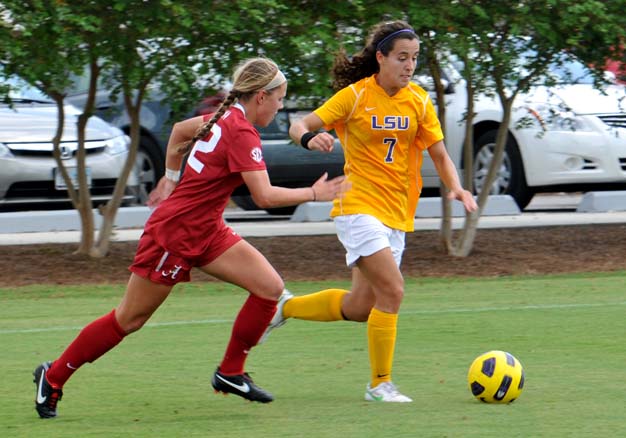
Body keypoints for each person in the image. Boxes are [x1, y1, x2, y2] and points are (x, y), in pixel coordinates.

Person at [33, 57, 345, 419]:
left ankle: (230, 372)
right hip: (175, 235)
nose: (279, 107)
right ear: (261, 96)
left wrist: (169, 177)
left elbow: (181, 130)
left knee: (269, 288)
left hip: (206, 229)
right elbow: (264, 197)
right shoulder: (241, 131)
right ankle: (53, 377)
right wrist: (313, 194)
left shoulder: (227, 117)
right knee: (129, 319)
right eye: (278, 99)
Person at [261, 20, 478, 403]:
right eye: (401, 58)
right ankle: (380, 385)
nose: (409, 66)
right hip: (357, 205)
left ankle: (286, 306)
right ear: (381, 58)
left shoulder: (419, 101)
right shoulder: (356, 96)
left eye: (414, 59)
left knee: (361, 306)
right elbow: (299, 125)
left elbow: (439, 154)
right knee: (393, 291)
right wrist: (312, 138)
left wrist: (457, 186)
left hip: (396, 213)